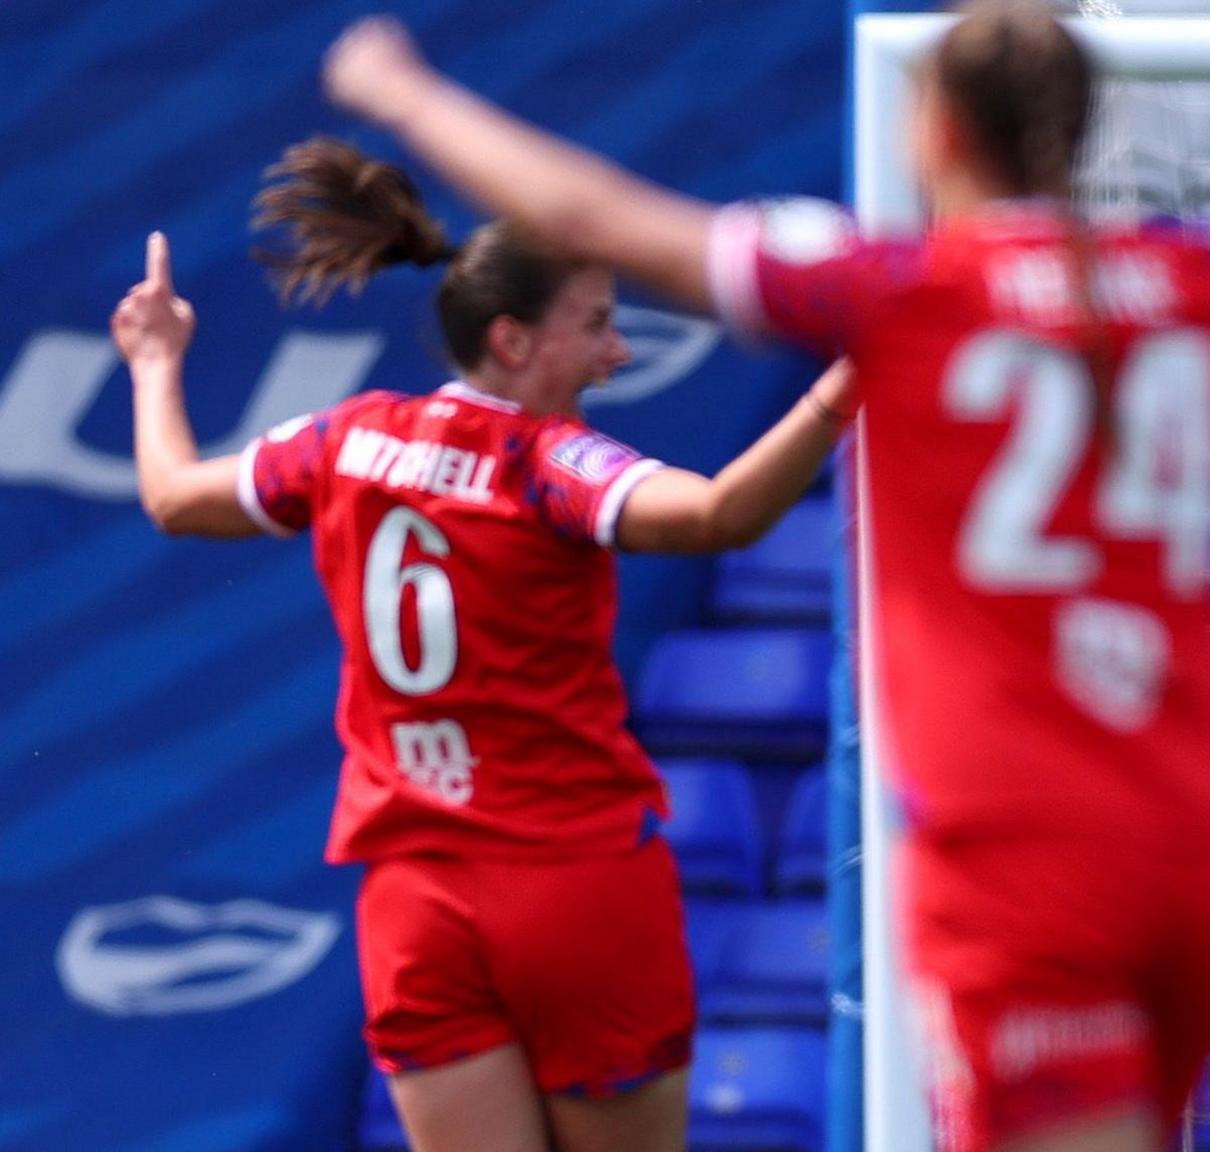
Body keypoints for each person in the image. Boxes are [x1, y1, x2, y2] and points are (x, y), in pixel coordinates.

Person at [319, 6, 1210, 1149]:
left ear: (931, 130)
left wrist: (404, 92)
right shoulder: (1192, 278)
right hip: (1191, 826)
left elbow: (590, 212)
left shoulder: (897, 289)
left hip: (1014, 838)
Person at [110, 136, 856, 1152]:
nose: (617, 352)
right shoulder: (544, 464)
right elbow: (718, 514)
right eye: (595, 326)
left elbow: (170, 497)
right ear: (512, 341)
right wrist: (851, 379)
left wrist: (156, 361)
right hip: (574, 888)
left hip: (416, 906)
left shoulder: (344, 438)